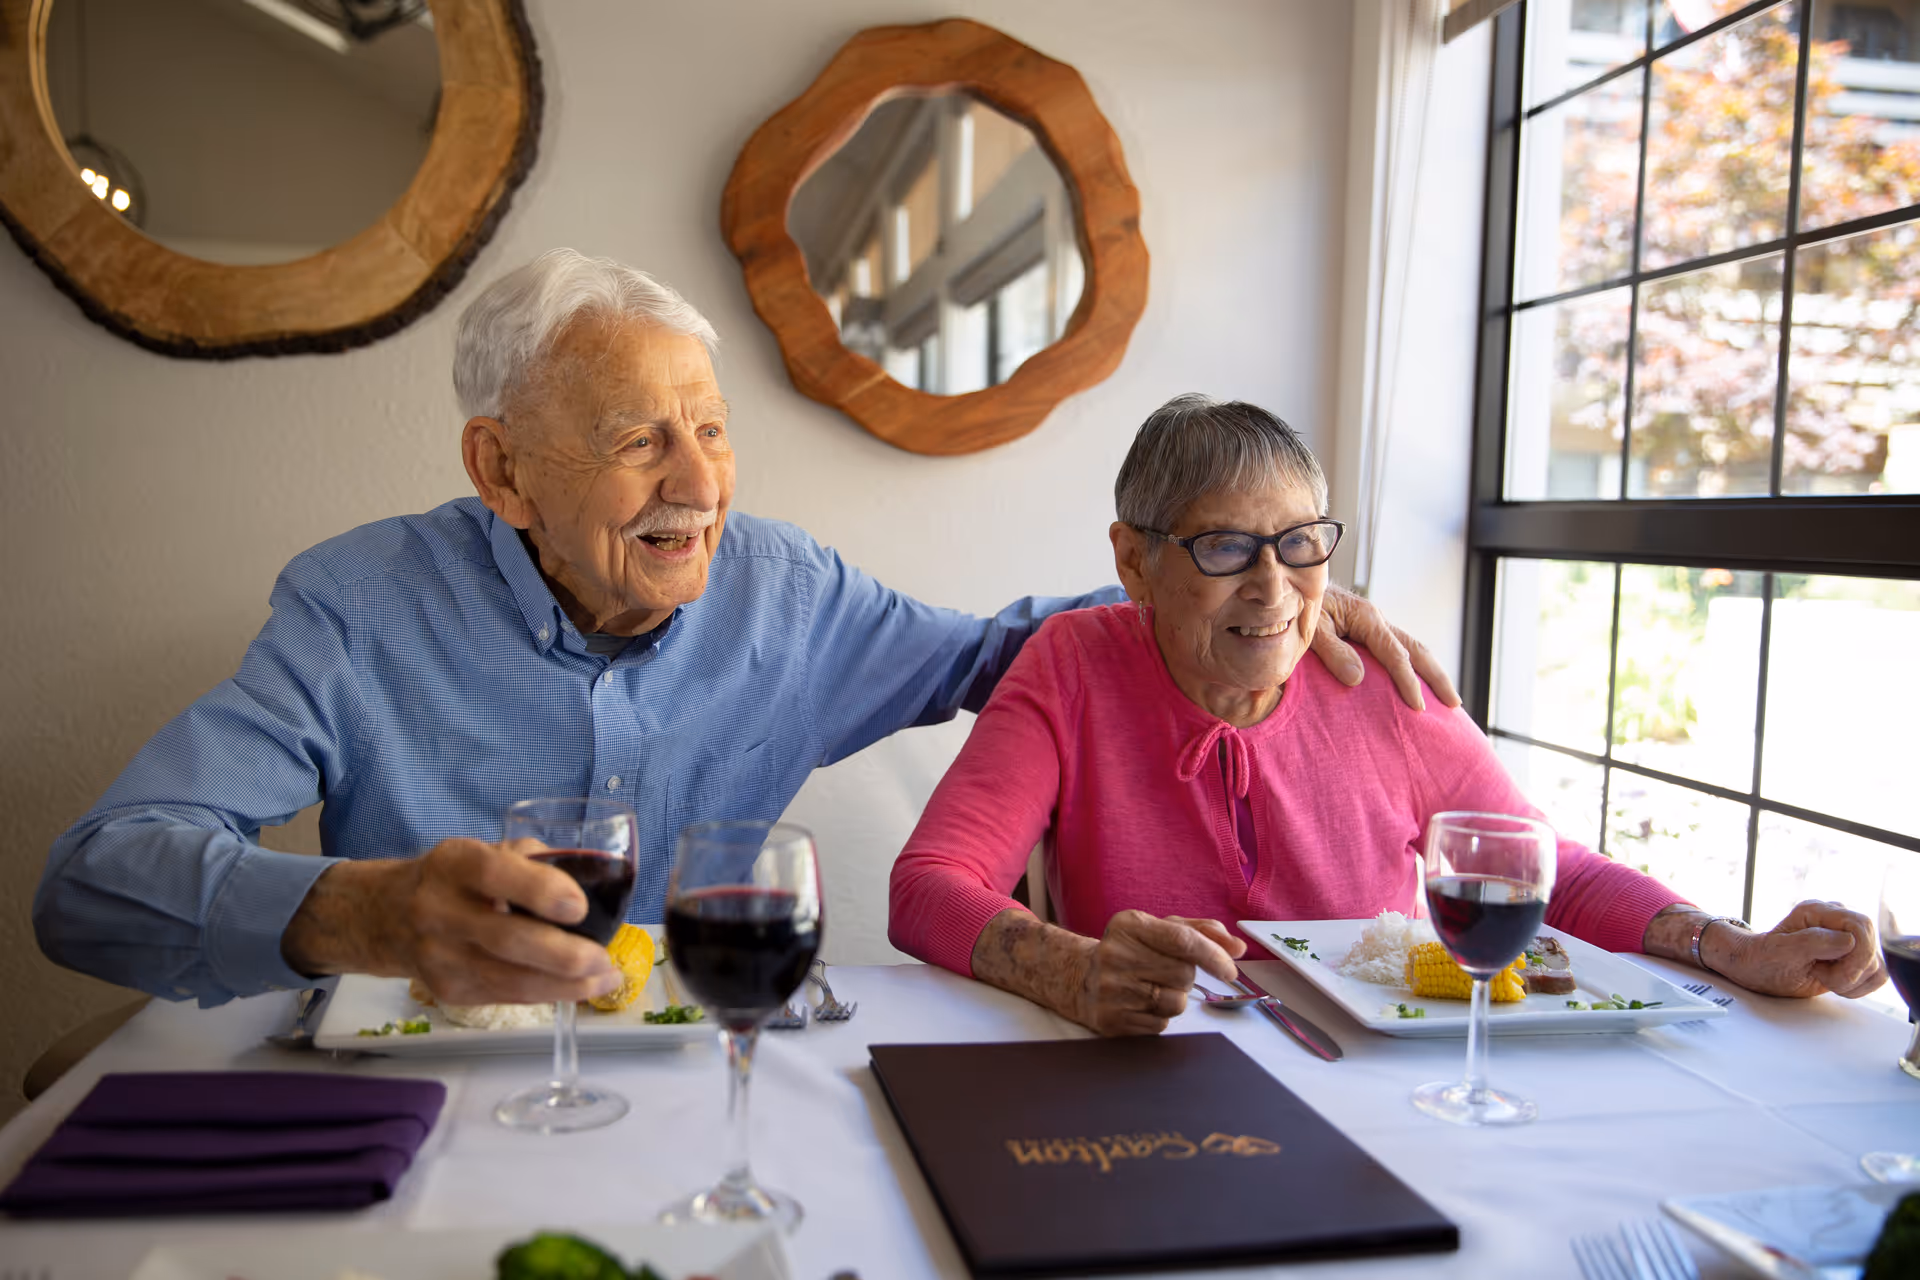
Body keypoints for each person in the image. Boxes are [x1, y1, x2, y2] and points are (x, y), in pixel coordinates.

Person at [35, 254, 1452, 1010]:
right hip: (422, 1074)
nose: (700, 485)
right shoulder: (356, 604)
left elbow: (1000, 650)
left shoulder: (791, 592)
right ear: (503, 471)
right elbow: (93, 883)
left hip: (703, 1067)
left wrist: (1256, 588)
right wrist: (364, 911)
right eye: (638, 441)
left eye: (711, 432)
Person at [888, 395, 1888, 1036]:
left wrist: (1730, 944)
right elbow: (928, 884)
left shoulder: (1381, 684)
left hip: (1386, 1071)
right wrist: (1075, 969)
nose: (1274, 590)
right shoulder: (1072, 664)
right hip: (1152, 1073)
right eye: (1226, 548)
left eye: (1300, 544)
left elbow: (1546, 870)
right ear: (1133, 561)